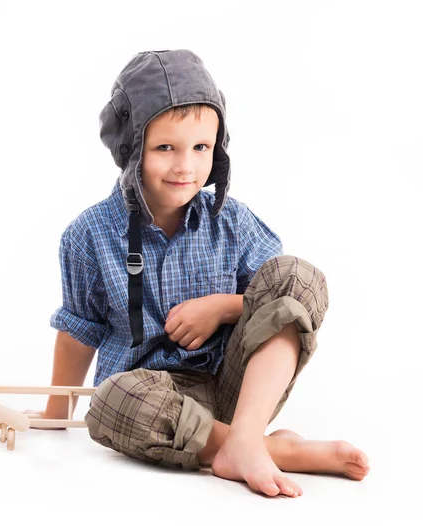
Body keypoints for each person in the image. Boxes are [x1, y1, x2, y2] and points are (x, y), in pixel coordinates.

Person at [33, 49, 370, 497]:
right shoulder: (89, 235)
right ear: (131, 149)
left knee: (298, 276)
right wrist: (56, 413)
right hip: (152, 400)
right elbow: (79, 330)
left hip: (237, 393)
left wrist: (223, 307)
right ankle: (264, 449)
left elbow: (277, 305)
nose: (185, 167)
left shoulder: (233, 221)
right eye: (165, 148)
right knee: (107, 401)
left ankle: (246, 436)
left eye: (201, 148)